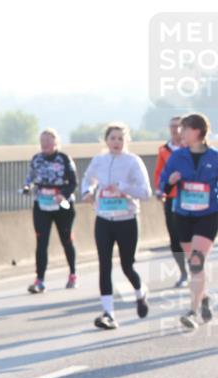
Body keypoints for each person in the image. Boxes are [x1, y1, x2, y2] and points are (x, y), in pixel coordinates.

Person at [80, 123, 152, 330]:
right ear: (106, 140)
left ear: (126, 141)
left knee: (127, 265)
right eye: (113, 138)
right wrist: (88, 191)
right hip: (104, 219)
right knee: (104, 265)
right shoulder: (99, 160)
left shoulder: (133, 161)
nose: (116, 142)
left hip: (127, 220)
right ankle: (108, 314)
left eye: (121, 138)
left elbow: (146, 192)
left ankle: (140, 292)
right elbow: (88, 179)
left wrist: (123, 188)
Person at [158, 112, 218, 330]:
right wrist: (170, 182)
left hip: (208, 215)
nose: (179, 132)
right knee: (193, 264)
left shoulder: (215, 157)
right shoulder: (177, 157)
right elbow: (163, 186)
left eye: (184, 128)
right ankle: (204, 297)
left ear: (197, 131)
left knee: (196, 262)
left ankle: (191, 311)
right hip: (183, 215)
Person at [22, 129, 78, 293]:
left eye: (48, 140)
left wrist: (63, 194)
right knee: (41, 241)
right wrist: (27, 187)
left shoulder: (64, 159)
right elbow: (30, 178)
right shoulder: (36, 159)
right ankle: (39, 280)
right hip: (42, 203)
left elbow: (73, 182)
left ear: (56, 142)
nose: (45, 143)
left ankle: (73, 274)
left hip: (63, 203)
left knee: (66, 238)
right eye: (42, 141)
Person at [154, 115, 189, 287]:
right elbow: (159, 173)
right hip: (172, 198)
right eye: (172, 126)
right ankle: (183, 272)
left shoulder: (193, 148)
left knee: (191, 237)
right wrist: (160, 190)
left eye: (178, 126)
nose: (175, 129)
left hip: (190, 197)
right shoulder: (164, 150)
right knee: (175, 237)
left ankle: (196, 269)